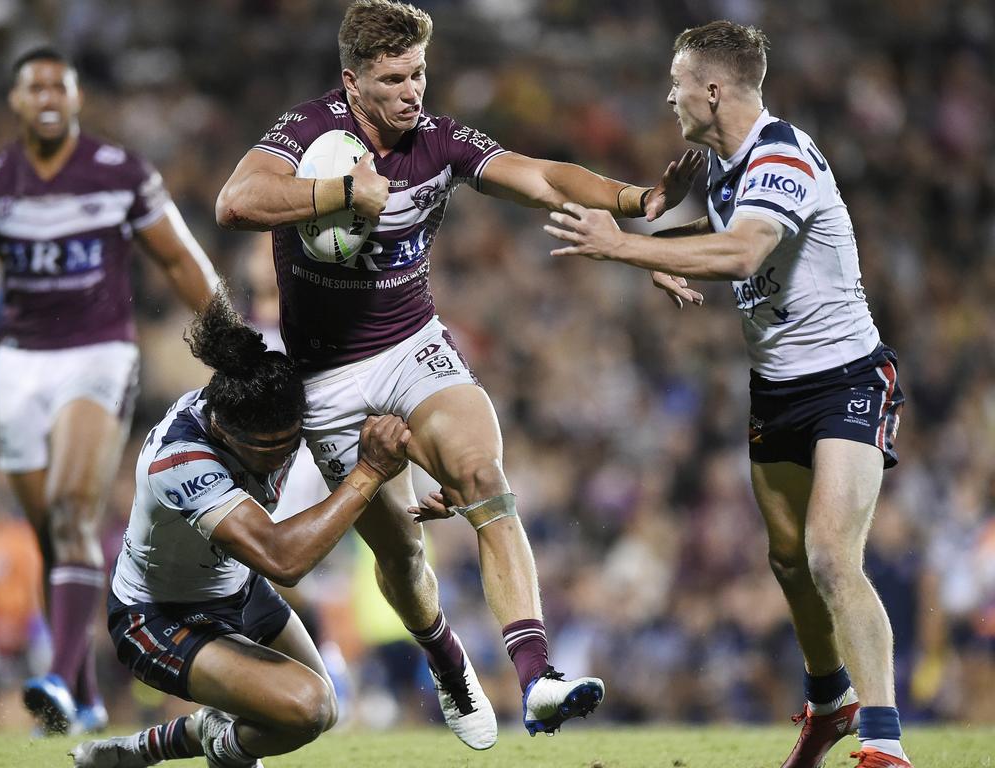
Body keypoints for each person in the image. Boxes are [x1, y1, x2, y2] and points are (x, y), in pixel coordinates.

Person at [215, 0, 702, 748]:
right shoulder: (306, 133)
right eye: (393, 78)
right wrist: (342, 193)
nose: (414, 91)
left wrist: (639, 202)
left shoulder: (439, 141)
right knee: (405, 559)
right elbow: (235, 202)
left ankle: (538, 679)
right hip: (328, 383)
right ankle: (446, 659)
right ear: (351, 82)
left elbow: (538, 176)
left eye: (419, 73)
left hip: (415, 349)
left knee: (480, 473)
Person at [544, 20, 910, 768]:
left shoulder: (781, 154)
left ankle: (884, 744)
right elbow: (718, 239)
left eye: (677, 82)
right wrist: (654, 253)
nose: (668, 95)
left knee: (830, 557)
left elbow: (745, 251)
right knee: (786, 561)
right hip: (774, 388)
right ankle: (830, 699)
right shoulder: (719, 169)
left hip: (845, 379)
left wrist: (622, 246)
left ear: (712, 90)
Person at [0, 47, 219, 734]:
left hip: (98, 353)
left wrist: (233, 339)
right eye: (34, 85)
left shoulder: (120, 173)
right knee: (52, 536)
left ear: (76, 98)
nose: (48, 94)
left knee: (74, 510)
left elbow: (176, 256)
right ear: (15, 102)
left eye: (60, 83)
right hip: (19, 363)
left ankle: (56, 674)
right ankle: (82, 695)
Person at [70, 290, 411, 768]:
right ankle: (225, 753)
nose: (280, 459)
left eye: (288, 446)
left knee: (324, 709)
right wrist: (369, 472)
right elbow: (283, 561)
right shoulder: (180, 459)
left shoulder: (270, 401)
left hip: (238, 590)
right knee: (306, 707)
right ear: (222, 430)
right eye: (266, 451)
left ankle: (176, 741)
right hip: (158, 616)